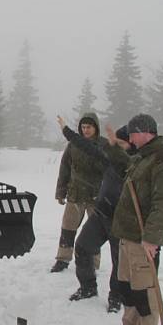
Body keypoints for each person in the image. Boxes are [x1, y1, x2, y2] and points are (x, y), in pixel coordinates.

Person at [104, 113, 163, 325]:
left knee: (144, 289)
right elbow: (125, 163)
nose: (131, 139)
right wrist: (113, 145)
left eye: (133, 134)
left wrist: (152, 238)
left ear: (146, 132)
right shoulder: (141, 158)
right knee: (126, 286)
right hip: (127, 235)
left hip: (142, 239)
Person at [56, 116, 134, 312]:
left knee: (119, 262)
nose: (116, 145)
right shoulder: (109, 156)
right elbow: (86, 146)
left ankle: (116, 297)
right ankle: (88, 287)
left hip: (121, 219)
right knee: (82, 247)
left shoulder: (133, 163)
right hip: (101, 213)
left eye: (121, 143)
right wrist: (67, 131)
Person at [51, 112, 108, 272]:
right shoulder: (73, 144)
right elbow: (65, 168)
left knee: (94, 232)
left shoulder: (104, 145)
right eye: (83, 127)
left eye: (89, 127)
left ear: (95, 127)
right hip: (75, 194)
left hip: (96, 196)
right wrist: (60, 192)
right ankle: (62, 259)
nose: (85, 130)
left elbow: (110, 170)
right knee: (67, 228)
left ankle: (93, 263)